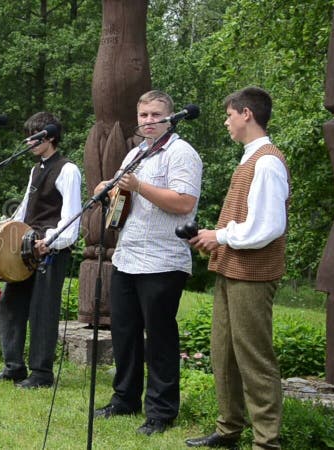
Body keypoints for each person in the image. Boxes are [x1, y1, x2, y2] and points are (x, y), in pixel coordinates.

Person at [93, 90, 203, 435]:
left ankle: (161, 412)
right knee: (124, 333)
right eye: (144, 116)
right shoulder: (135, 153)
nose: (149, 121)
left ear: (170, 117)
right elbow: (122, 199)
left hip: (163, 259)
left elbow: (184, 202)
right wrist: (108, 190)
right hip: (127, 256)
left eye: (156, 115)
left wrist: (138, 186)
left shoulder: (182, 154)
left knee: (159, 337)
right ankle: (124, 399)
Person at [185, 87, 289, 450]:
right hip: (234, 271)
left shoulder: (267, 161)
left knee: (254, 359)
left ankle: (266, 443)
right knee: (223, 354)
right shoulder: (249, 159)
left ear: (247, 114)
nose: (226, 122)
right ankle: (229, 430)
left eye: (229, 115)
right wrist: (215, 238)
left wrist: (222, 235)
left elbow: (268, 226)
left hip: (254, 275)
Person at [0, 111, 82, 389]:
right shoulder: (36, 169)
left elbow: (72, 217)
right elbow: (24, 209)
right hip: (27, 246)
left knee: (43, 310)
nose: (28, 142)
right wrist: (4, 230)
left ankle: (41, 374)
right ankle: (14, 367)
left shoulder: (67, 169)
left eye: (34, 137)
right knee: (10, 303)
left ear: (49, 136)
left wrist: (50, 242)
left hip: (51, 249)